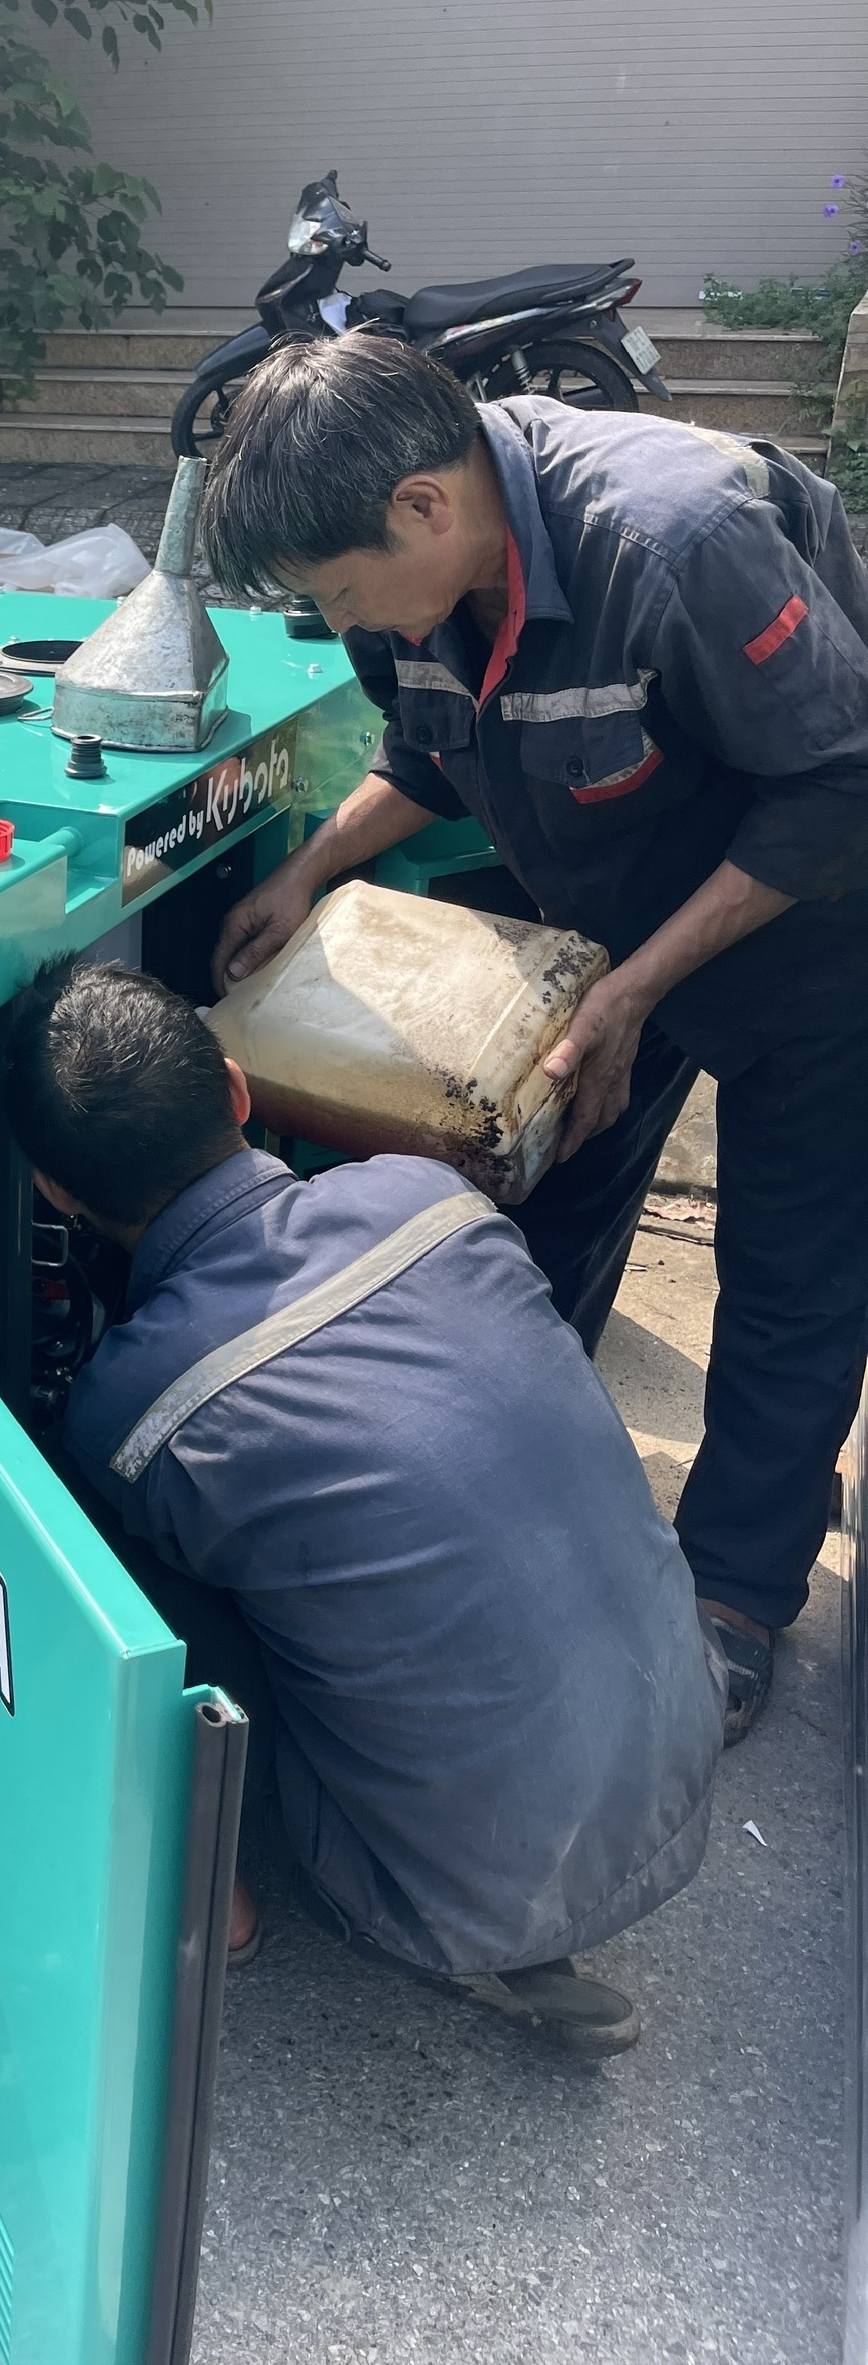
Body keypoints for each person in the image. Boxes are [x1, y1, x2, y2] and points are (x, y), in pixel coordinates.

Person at [199, 336, 868, 1745]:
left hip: (810, 902)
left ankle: (737, 1588)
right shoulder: (420, 582)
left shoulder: (673, 544)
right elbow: (425, 754)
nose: (339, 622)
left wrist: (638, 988)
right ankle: (517, 1488)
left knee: (793, 1260)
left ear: (424, 508)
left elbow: (839, 784)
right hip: (613, 894)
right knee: (539, 1182)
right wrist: (308, 870)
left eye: (337, 594)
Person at [0, 957, 724, 2058]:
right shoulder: (432, 1198)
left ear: (56, 1194)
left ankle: (216, 1895)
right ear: (236, 1090)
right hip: (685, 1749)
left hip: (451, 1898)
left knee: (92, 1545)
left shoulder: (136, 1407)